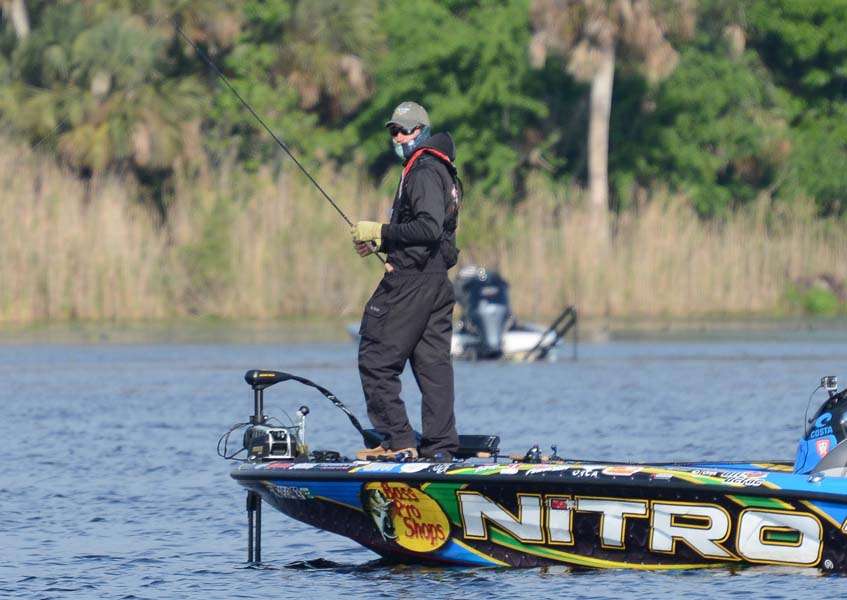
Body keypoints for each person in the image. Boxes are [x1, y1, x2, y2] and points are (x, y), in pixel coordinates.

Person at [351, 101, 461, 460]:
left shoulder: (424, 170)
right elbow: (431, 230)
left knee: (375, 359)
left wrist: (380, 229)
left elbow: (428, 228)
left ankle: (398, 443)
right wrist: (385, 241)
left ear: (421, 131)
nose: (397, 136)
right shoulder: (440, 168)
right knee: (433, 366)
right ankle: (441, 448)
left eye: (404, 130)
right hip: (434, 282)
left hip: (411, 283)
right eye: (393, 131)